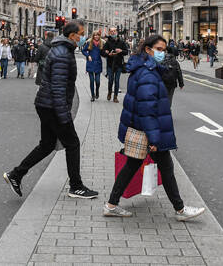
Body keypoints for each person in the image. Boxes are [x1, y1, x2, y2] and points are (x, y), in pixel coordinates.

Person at [103, 34, 204, 221]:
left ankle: (111, 204)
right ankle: (180, 210)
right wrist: (154, 139)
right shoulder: (148, 73)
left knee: (132, 167)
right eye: (158, 49)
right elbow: (148, 109)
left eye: (164, 50)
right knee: (166, 168)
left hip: (140, 129)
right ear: (148, 50)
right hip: (146, 132)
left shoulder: (143, 68)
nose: (162, 53)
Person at [3, 20, 98, 200]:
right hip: (53, 106)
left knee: (47, 145)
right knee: (72, 143)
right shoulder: (63, 53)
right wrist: (64, 116)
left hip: (46, 104)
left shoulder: (62, 49)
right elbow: (58, 87)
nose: (83, 36)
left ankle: (16, 174)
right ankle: (76, 186)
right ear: (72, 36)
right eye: (81, 33)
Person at [102, 27, 128, 103]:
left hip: (119, 64)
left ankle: (115, 96)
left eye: (114, 31)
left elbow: (126, 52)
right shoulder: (108, 42)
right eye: (111, 31)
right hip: (110, 64)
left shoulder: (121, 42)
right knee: (110, 80)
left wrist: (121, 51)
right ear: (110, 33)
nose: (113, 32)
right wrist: (107, 53)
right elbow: (103, 52)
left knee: (117, 81)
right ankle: (110, 92)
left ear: (116, 32)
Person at [82, 31, 104, 101]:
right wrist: (88, 55)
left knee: (97, 81)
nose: (96, 37)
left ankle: (97, 91)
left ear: (99, 36)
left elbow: (104, 52)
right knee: (91, 81)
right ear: (93, 36)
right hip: (90, 63)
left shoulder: (101, 43)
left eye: (97, 35)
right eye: (95, 35)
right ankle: (92, 95)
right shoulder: (89, 43)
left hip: (98, 63)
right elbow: (83, 50)